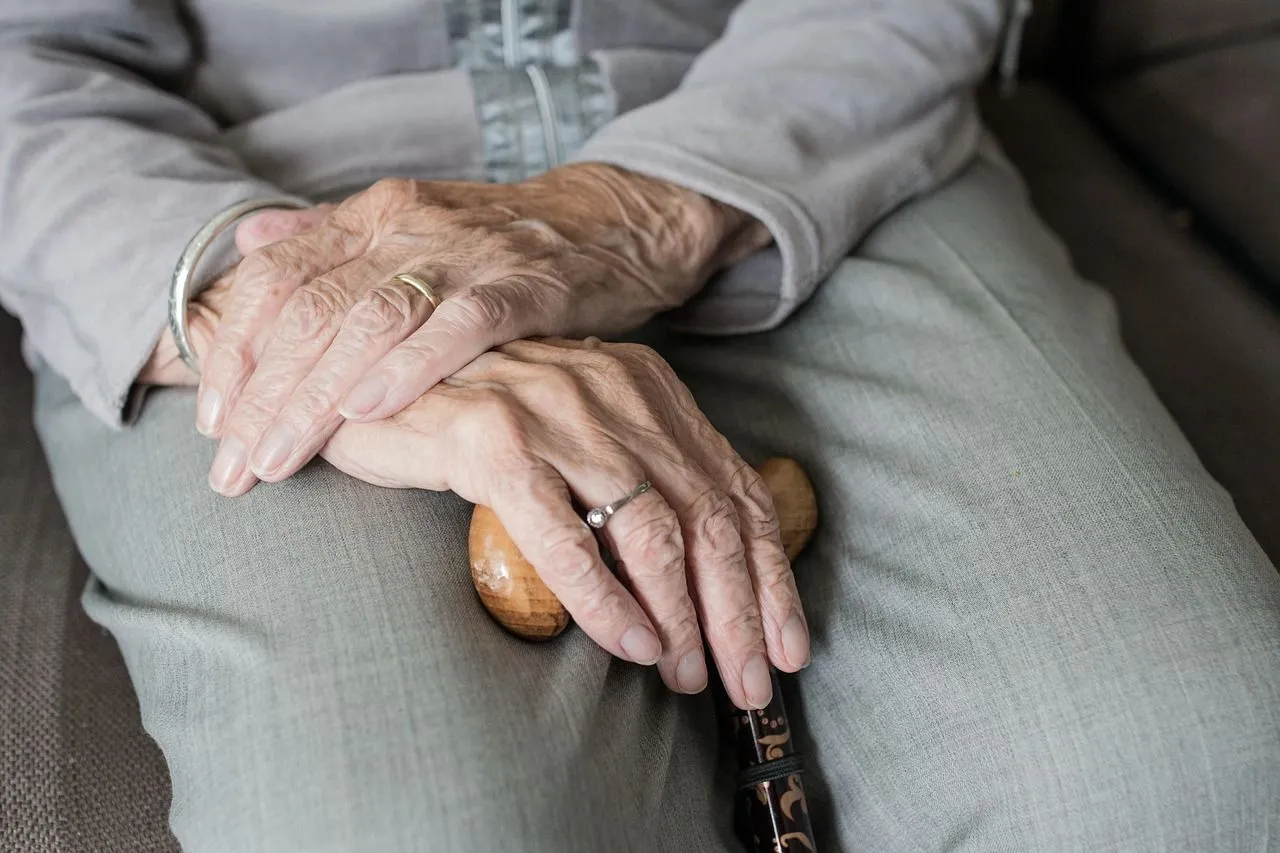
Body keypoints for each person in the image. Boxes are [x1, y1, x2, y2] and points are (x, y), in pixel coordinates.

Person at [2, 1, 1277, 850]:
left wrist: (633, 209)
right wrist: (291, 310)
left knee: (1185, 770)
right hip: (238, 209)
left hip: (806, 135)